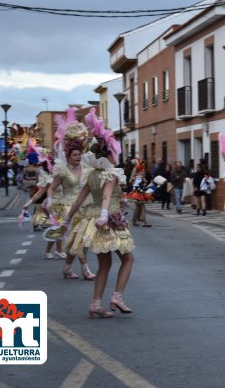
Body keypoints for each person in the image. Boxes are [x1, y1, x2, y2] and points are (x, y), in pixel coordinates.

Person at [62, 109, 134, 318]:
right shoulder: (110, 173)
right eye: (114, 150)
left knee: (105, 264)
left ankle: (96, 303)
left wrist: (66, 220)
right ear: (109, 152)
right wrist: (104, 215)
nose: (116, 154)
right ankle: (117, 296)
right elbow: (106, 196)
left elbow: (79, 199)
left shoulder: (92, 174)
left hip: (92, 221)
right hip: (109, 220)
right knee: (128, 259)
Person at [46, 110, 97, 280]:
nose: (77, 157)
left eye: (79, 155)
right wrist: (50, 200)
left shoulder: (86, 169)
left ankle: (67, 268)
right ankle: (85, 269)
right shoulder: (62, 171)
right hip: (69, 209)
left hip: (85, 208)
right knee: (79, 240)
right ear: (68, 156)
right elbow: (51, 188)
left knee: (78, 241)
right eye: (74, 155)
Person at [21, 153, 65, 260]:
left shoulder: (62, 176)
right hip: (52, 206)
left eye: (54, 163)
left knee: (59, 229)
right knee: (58, 228)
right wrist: (28, 204)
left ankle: (51, 251)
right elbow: (39, 193)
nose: (53, 166)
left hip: (63, 206)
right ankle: (58, 251)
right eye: (51, 164)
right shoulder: (48, 179)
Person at [126, 160, 152, 227]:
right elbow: (140, 185)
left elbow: (131, 182)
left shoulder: (136, 177)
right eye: (143, 170)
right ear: (140, 170)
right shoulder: (139, 177)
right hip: (139, 193)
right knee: (142, 208)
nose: (144, 172)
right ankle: (144, 222)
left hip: (136, 193)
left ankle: (134, 221)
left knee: (137, 208)